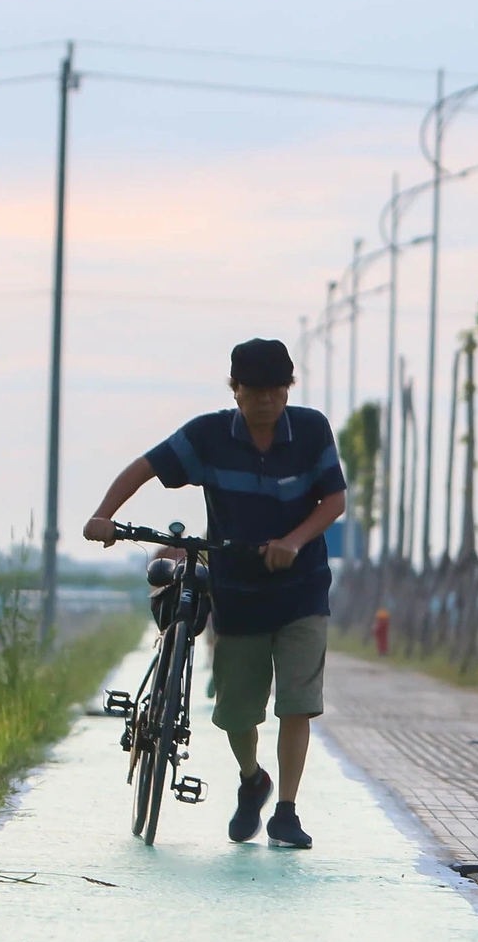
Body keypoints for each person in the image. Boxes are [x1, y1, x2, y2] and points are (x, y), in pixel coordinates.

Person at [84, 338, 346, 849]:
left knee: (297, 702)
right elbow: (146, 466)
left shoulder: (311, 430)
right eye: (254, 390)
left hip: (301, 590)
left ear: (288, 389)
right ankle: (253, 779)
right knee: (237, 711)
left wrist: (293, 542)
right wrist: (104, 515)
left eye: (275, 389)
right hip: (238, 591)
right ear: (236, 390)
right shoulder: (209, 436)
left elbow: (333, 498)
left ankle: (287, 812)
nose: (266, 400)